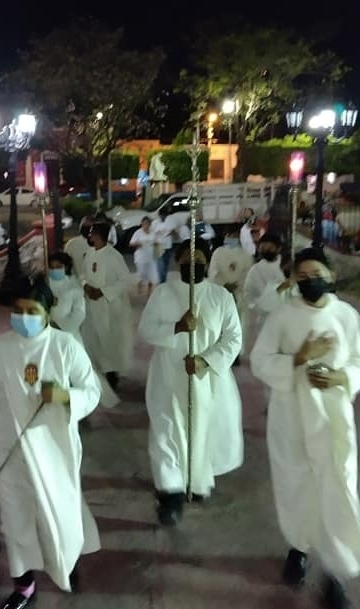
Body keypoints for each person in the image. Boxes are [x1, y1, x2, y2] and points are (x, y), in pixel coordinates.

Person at [0, 280, 102, 609]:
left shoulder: (65, 346)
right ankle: (24, 586)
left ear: (47, 312)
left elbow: (91, 391)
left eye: (31, 312)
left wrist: (67, 396)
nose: (23, 318)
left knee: (60, 511)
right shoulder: (0, 348)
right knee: (16, 517)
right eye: (17, 311)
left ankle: (68, 559)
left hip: (55, 448)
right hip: (9, 449)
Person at [249, 247, 360, 609]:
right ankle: (298, 547)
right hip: (291, 415)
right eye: (302, 277)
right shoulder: (282, 315)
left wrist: (341, 376)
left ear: (332, 276)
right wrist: (300, 357)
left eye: (316, 275)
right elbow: (260, 360)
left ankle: (334, 575)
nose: (310, 282)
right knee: (295, 486)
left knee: (338, 486)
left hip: (332, 417)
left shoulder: (346, 315)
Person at [139, 238, 242, 526]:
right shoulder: (163, 293)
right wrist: (177, 327)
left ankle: (195, 481)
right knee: (166, 433)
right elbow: (146, 330)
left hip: (207, 380)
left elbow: (233, 338)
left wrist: (205, 361)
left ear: (207, 265)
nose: (192, 264)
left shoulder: (221, 296)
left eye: (198, 260)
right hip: (168, 376)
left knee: (200, 432)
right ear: (178, 262)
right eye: (186, 258)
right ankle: (169, 494)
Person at [80, 223, 132, 401]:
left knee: (109, 340)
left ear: (100, 235)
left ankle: (111, 374)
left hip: (110, 308)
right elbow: (83, 275)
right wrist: (86, 286)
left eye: (92, 234)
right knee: (93, 339)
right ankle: (97, 373)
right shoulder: (90, 254)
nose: (90, 237)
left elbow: (125, 280)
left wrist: (103, 291)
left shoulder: (113, 255)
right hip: (92, 306)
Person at [208, 227, 254, 364]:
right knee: (219, 322)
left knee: (238, 323)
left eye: (234, 235)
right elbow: (213, 271)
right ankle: (219, 351)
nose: (231, 237)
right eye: (229, 234)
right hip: (220, 292)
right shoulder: (218, 252)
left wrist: (236, 285)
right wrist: (223, 284)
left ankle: (236, 353)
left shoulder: (246, 255)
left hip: (238, 293)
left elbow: (248, 274)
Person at [47, 252, 86, 339]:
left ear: (66, 267)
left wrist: (59, 328)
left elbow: (79, 314)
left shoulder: (74, 286)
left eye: (58, 267)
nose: (54, 270)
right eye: (51, 267)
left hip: (68, 333)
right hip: (46, 332)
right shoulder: (44, 284)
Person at [130, 216, 160, 295]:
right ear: (142, 224)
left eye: (147, 223)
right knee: (141, 274)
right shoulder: (138, 232)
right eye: (144, 223)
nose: (146, 225)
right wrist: (138, 243)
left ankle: (149, 292)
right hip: (140, 257)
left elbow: (157, 242)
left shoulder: (153, 232)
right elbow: (131, 243)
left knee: (151, 275)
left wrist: (156, 244)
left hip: (151, 257)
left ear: (150, 224)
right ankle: (139, 286)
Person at [151, 207, 175, 283]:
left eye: (166, 215)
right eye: (163, 215)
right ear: (160, 215)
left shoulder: (170, 221)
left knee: (166, 264)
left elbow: (173, 231)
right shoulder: (155, 223)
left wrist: (171, 232)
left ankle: (163, 280)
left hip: (168, 245)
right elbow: (152, 233)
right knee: (160, 265)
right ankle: (161, 281)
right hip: (159, 246)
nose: (164, 217)